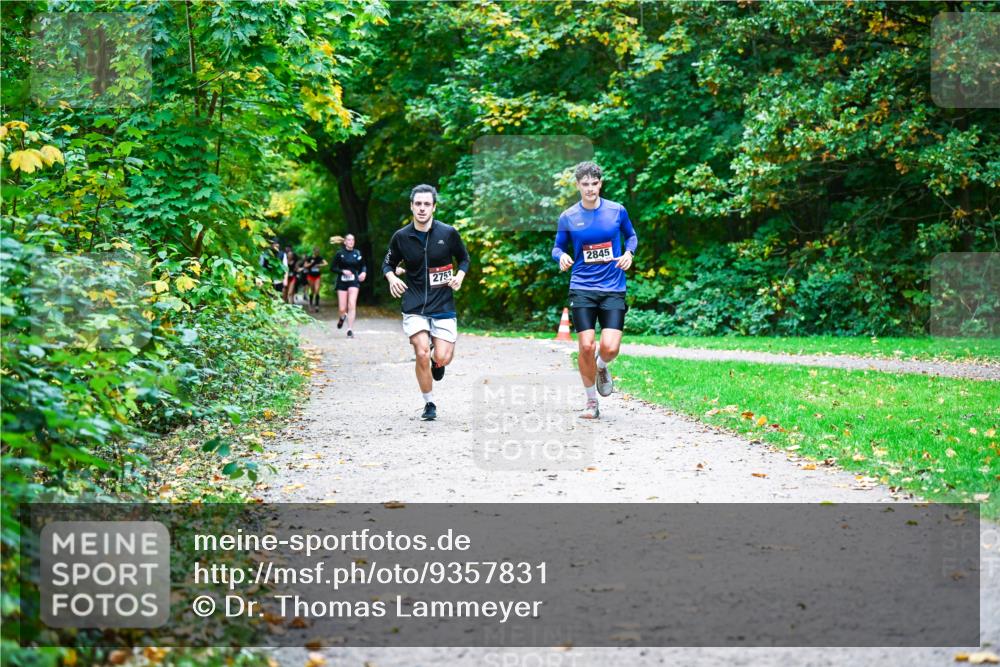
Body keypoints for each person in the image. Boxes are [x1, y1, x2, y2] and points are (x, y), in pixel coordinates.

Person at [553, 161, 637, 419]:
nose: (590, 189)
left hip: (613, 287)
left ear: (600, 183)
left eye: (594, 183)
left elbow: (631, 236)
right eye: (585, 184)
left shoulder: (617, 211)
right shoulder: (568, 216)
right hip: (582, 287)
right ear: (578, 185)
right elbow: (557, 247)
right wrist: (561, 257)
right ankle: (591, 403)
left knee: (609, 348)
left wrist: (629, 253)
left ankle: (602, 367)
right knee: (586, 346)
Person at [382, 184, 470, 421]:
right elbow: (387, 264)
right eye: (418, 204)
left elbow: (464, 259)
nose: (422, 209)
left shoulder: (448, 233)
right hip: (414, 304)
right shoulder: (401, 237)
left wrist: (459, 277)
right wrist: (391, 277)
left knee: (442, 357)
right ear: (411, 206)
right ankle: (429, 403)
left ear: (433, 207)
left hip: (442, 304)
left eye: (426, 204)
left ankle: (437, 361)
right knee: (421, 351)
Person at [332, 234, 366, 337]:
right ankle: (342, 317)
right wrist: (342, 271)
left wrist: (363, 272)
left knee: (352, 304)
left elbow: (363, 265)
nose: (351, 241)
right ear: (345, 242)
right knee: (342, 308)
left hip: (353, 281)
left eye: (353, 240)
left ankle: (350, 329)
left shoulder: (357, 253)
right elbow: (332, 268)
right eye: (349, 240)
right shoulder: (339, 254)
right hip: (342, 282)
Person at [304, 247, 328, 313]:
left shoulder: (320, 258)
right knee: (312, 291)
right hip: (310, 276)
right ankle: (311, 305)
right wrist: (311, 264)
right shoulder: (309, 258)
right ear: (313, 252)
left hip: (317, 276)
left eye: (318, 252)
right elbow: (305, 265)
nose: (317, 253)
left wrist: (319, 265)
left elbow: (326, 263)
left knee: (317, 290)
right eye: (316, 252)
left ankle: (317, 306)